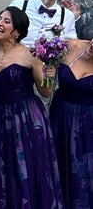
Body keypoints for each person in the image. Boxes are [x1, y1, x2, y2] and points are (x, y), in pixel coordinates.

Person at [0, 6, 63, 208]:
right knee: (5, 169)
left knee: (27, 169)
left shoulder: (29, 55)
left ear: (16, 31)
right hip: (0, 116)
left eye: (6, 21)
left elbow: (46, 92)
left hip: (28, 118)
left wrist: (50, 76)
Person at [49, 38, 93, 209]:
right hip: (60, 115)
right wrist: (46, 70)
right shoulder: (70, 45)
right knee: (57, 160)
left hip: (87, 124)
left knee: (83, 168)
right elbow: (39, 52)